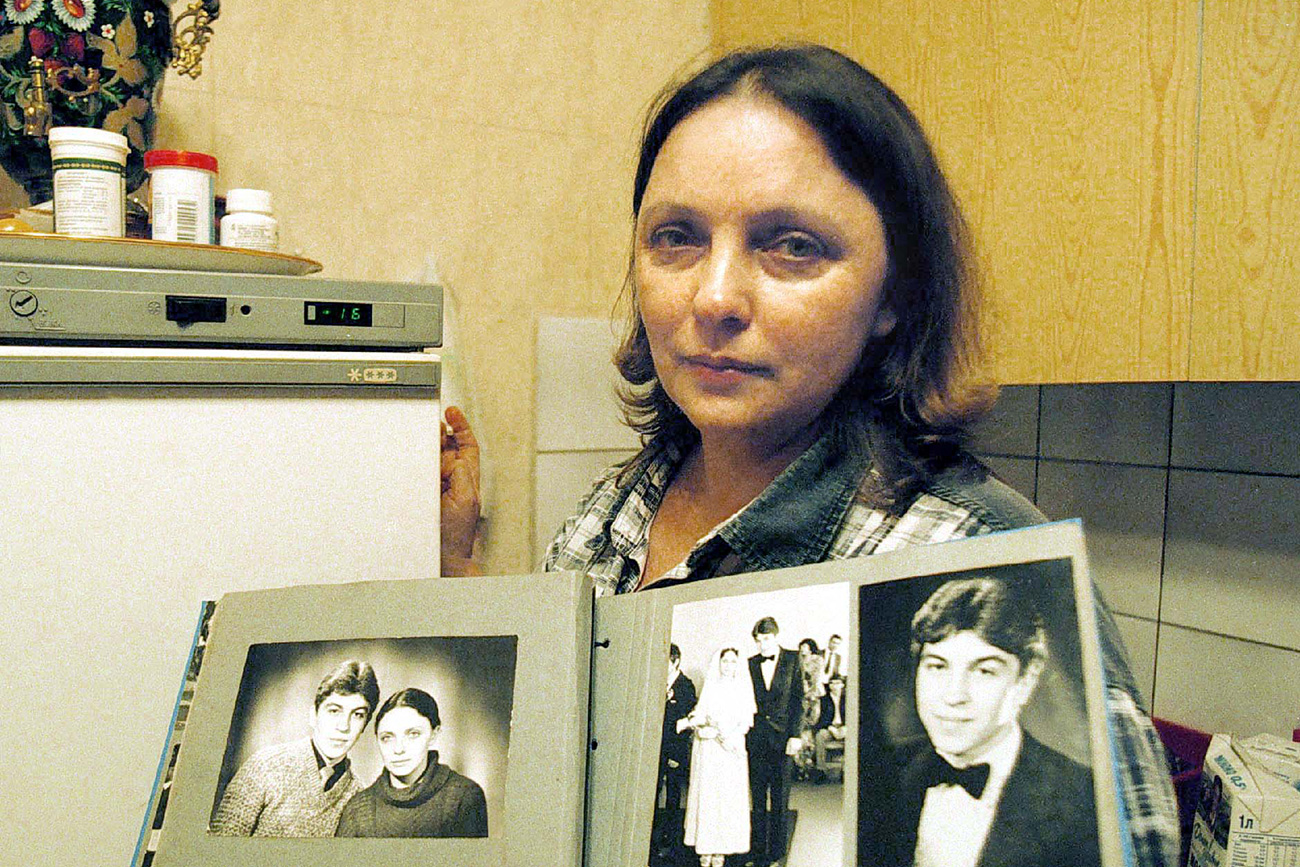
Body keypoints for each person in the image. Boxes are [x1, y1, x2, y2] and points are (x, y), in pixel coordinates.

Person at [440, 43, 1178, 866]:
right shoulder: (613, 509)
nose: (714, 297)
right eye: (676, 238)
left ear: (895, 294)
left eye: (791, 246)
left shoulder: (979, 558)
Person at [864, 577, 1101, 867]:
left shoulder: (1086, 799)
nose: (954, 696)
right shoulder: (881, 773)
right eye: (937, 666)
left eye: (984, 671)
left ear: (1025, 680)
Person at [211, 660, 379, 836]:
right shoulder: (265, 766)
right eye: (334, 711)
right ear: (313, 715)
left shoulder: (360, 799)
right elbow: (221, 845)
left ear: (365, 725)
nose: (344, 726)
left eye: (358, 715)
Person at [335, 687, 488, 838]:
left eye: (413, 734)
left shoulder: (464, 797)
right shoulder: (358, 809)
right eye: (387, 737)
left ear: (434, 734)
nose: (399, 749)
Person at [678, 647, 757, 867]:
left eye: (733, 662)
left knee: (727, 798)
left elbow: (746, 722)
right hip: (710, 751)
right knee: (709, 797)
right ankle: (707, 846)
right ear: (719, 663)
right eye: (725, 661)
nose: (728, 666)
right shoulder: (711, 687)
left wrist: (729, 736)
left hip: (730, 750)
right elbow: (701, 713)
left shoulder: (742, 689)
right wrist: (703, 728)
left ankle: (722, 847)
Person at [746, 617, 804, 867]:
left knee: (780, 800)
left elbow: (799, 700)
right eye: (759, 641)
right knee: (758, 799)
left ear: (777, 637)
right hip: (756, 740)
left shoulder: (792, 659)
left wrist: (796, 735)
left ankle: (778, 853)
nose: (763, 646)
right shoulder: (749, 664)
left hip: (783, 740)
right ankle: (757, 851)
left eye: (767, 639)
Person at [655, 643, 699, 858]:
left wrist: (675, 755)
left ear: (676, 661)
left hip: (674, 751)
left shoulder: (686, 686)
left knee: (673, 795)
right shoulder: (655, 683)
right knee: (653, 794)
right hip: (656, 749)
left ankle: (672, 842)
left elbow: (685, 724)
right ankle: (654, 838)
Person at [813, 674, 847, 777]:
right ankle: (821, 770)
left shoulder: (848, 699)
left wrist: (845, 728)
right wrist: (831, 728)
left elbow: (853, 716)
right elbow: (820, 719)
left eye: (837, 683)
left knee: (852, 738)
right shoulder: (823, 700)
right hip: (829, 728)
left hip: (844, 728)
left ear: (842, 685)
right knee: (820, 736)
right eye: (831, 683)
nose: (834, 685)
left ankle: (845, 770)